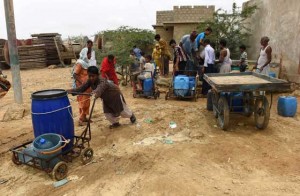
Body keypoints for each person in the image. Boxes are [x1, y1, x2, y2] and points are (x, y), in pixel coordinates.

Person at [68, 66, 136, 129]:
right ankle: (115, 123)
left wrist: (95, 93)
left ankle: (131, 115)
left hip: (115, 96)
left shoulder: (103, 81)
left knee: (123, 111)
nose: (91, 78)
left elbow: (100, 88)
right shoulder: (89, 81)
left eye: (93, 76)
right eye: (90, 76)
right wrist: (69, 91)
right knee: (107, 113)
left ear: (97, 75)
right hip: (106, 98)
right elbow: (81, 88)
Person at [73, 48, 92, 125]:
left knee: (87, 101)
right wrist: (82, 82)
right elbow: (75, 75)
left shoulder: (86, 63)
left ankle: (84, 117)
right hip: (82, 87)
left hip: (87, 86)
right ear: (85, 54)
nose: (90, 55)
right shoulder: (80, 63)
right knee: (83, 102)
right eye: (88, 54)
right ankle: (81, 119)